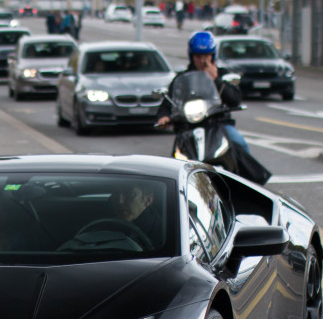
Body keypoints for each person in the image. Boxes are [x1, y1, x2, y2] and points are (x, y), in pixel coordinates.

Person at [156, 30, 270, 184]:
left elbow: (235, 98)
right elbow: (169, 101)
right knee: (176, 158)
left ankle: (250, 185)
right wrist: (164, 116)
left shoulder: (221, 74)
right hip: (188, 127)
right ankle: (175, 188)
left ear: (213, 55)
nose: (203, 60)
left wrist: (216, 78)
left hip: (217, 124)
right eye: (198, 56)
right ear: (191, 56)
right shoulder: (182, 78)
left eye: (207, 56)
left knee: (238, 142)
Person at [110, 181, 164, 249]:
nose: (120, 201)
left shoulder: (163, 234)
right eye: (116, 194)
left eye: (130, 194)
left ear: (148, 200)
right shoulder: (102, 225)